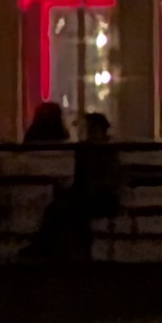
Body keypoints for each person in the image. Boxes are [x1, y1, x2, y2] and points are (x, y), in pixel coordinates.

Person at [32, 112, 121, 261]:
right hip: (90, 195)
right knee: (59, 208)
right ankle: (55, 249)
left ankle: (55, 249)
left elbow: (109, 181)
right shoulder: (87, 150)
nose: (89, 133)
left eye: (92, 129)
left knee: (68, 210)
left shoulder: (106, 152)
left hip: (103, 197)